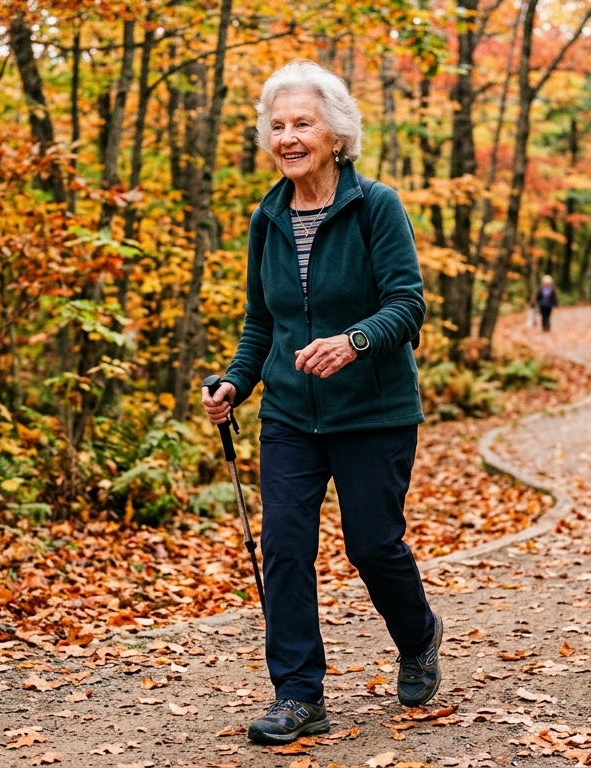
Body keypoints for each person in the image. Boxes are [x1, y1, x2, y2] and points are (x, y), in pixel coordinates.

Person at [202, 61, 439, 746]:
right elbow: (261, 323)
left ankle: (419, 634)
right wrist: (234, 382)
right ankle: (299, 694)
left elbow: (408, 305)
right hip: (290, 417)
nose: (288, 137)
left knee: (372, 545)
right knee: (283, 546)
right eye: (277, 126)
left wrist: (354, 341)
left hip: (374, 411)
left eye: (302, 123)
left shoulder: (376, 207)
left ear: (336, 131)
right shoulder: (267, 217)